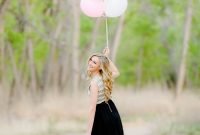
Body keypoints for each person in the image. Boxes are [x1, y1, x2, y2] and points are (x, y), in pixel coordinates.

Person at [86, 47, 124, 135]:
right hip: (111, 111)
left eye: (94, 62)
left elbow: (92, 108)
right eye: (91, 60)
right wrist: (106, 57)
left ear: (100, 67)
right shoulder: (104, 77)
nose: (90, 63)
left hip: (101, 117)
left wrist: (88, 132)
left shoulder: (94, 83)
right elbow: (116, 72)